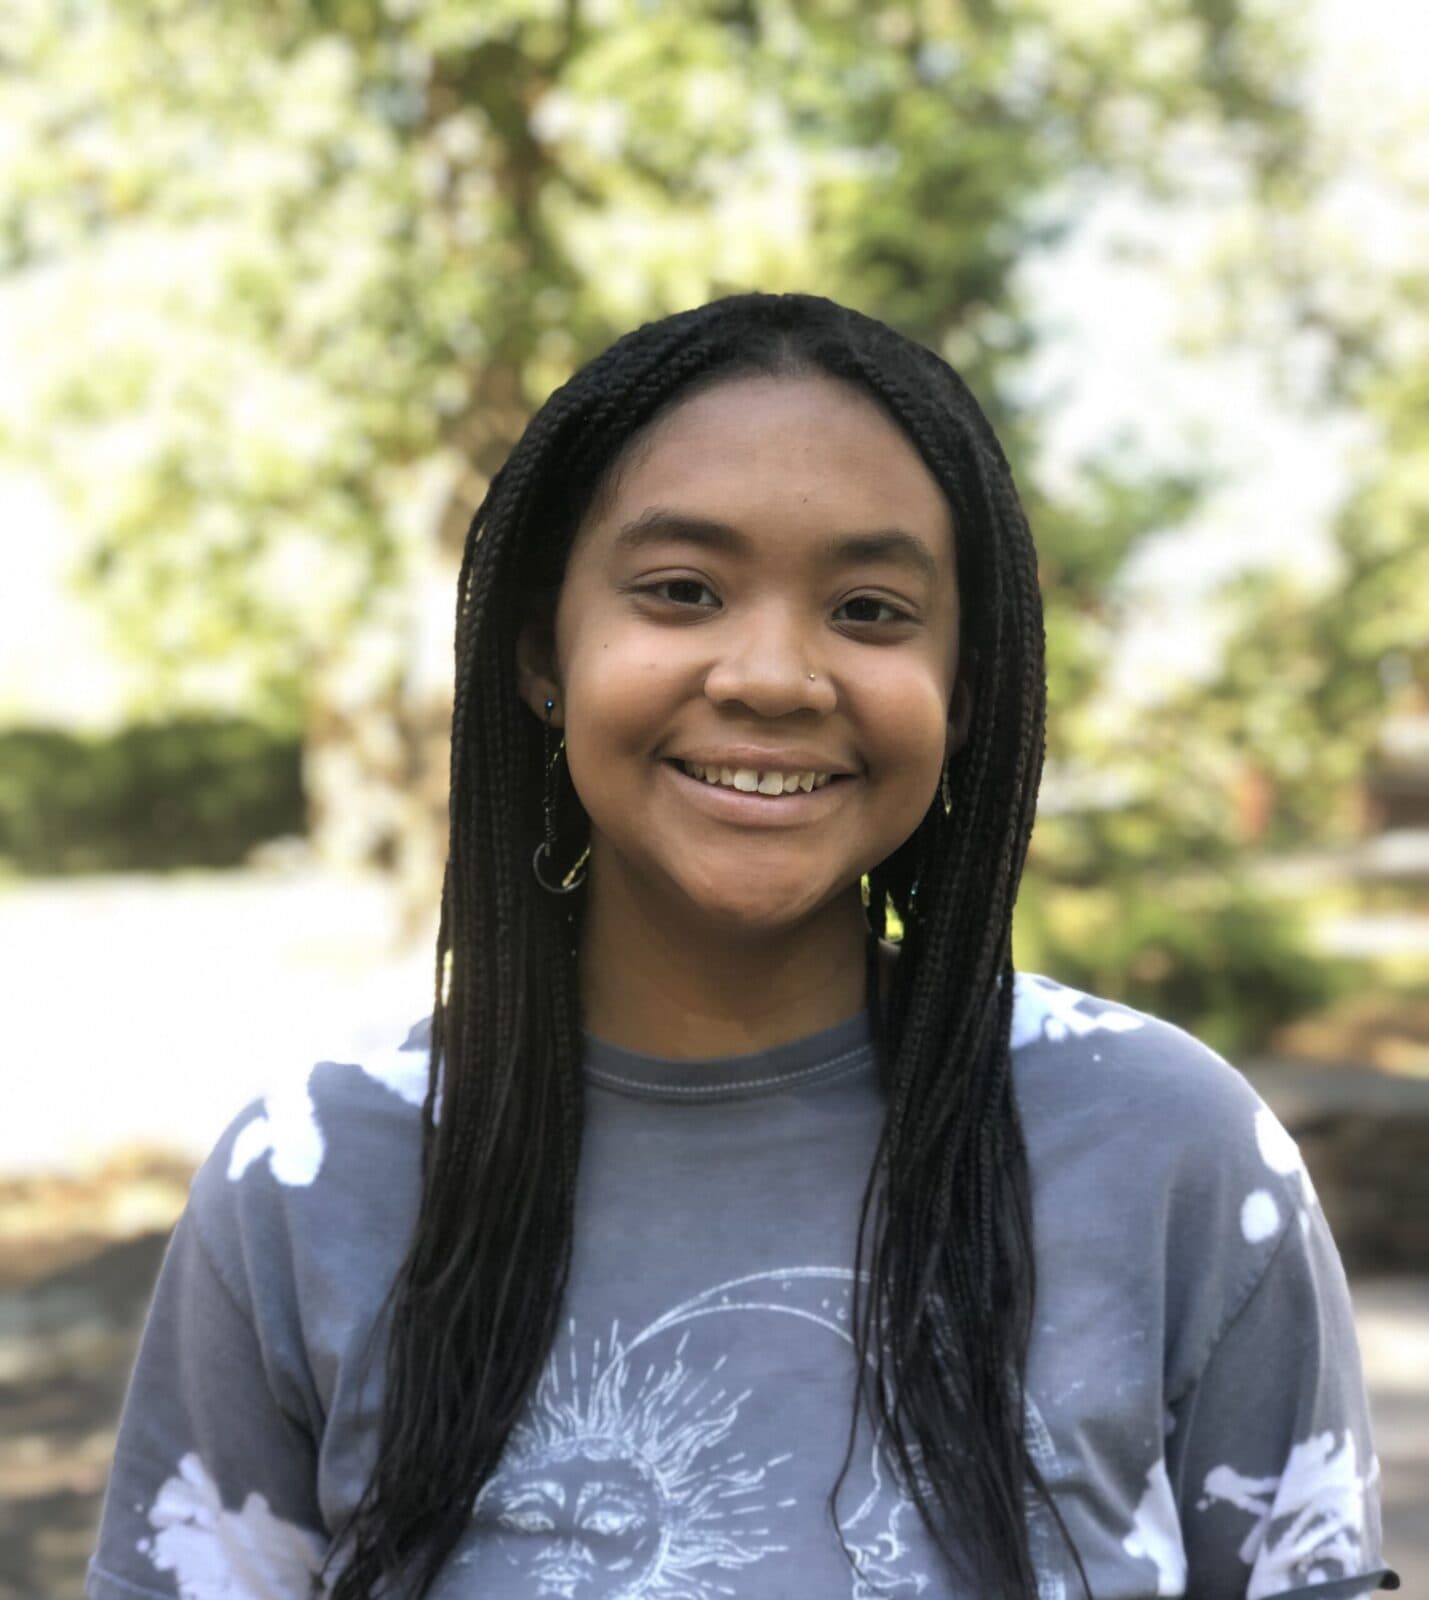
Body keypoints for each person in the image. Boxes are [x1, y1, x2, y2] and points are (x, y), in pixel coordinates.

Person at [88, 294, 1397, 1600]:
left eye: (872, 611)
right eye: (680, 590)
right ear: (545, 647)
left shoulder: (1168, 1147)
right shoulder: (313, 1181)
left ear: (964, 683)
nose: (773, 674)